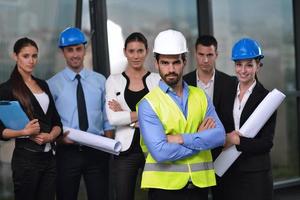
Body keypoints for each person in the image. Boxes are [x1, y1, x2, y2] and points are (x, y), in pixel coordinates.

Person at [137, 29, 225, 200]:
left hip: (200, 187)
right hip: (164, 189)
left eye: (176, 62)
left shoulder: (200, 96)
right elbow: (161, 153)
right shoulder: (148, 104)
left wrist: (179, 138)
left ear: (184, 61)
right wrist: (199, 137)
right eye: (165, 63)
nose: (171, 69)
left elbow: (219, 136)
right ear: (156, 63)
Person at [47, 27, 114, 200]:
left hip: (97, 151)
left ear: (85, 49)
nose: (75, 54)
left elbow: (107, 118)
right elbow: (50, 121)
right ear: (63, 52)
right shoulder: (52, 85)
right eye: (70, 50)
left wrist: (108, 148)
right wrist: (58, 139)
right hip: (66, 152)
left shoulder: (100, 81)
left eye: (78, 49)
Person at [214, 38, 277, 200]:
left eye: (249, 65)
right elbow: (218, 125)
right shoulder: (225, 91)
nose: (243, 70)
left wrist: (237, 140)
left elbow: (266, 143)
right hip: (227, 170)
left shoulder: (267, 99)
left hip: (255, 174)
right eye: (239, 64)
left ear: (258, 66)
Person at [0, 37, 62, 200]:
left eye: (34, 56)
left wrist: (51, 136)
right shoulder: (6, 89)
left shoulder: (43, 84)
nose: (31, 60)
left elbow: (57, 122)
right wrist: (24, 131)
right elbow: (0, 131)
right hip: (26, 160)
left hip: (50, 159)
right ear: (15, 56)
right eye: (26, 56)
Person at [105, 32, 160, 200]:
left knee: (159, 195)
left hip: (153, 148)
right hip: (125, 151)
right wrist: (146, 116)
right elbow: (113, 118)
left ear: (147, 51)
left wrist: (126, 114)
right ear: (125, 52)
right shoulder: (113, 80)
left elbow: (163, 116)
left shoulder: (157, 80)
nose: (136, 56)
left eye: (140, 51)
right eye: (131, 51)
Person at [183, 35, 236, 115]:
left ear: (216, 55)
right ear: (195, 54)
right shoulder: (184, 82)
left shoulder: (230, 83)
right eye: (201, 54)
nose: (205, 60)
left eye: (210, 55)